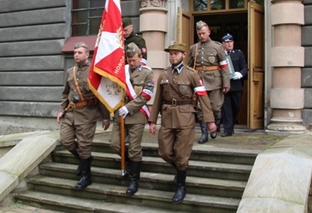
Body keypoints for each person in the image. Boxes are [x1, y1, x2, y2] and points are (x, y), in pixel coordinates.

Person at [149, 42, 216, 204]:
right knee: (164, 151)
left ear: (183, 55)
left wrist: (210, 121)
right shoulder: (164, 75)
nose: (173, 56)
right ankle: (181, 170)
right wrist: (152, 120)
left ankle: (181, 186)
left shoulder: (192, 74)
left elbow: (203, 98)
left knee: (181, 154)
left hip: (186, 118)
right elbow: (157, 99)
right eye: (171, 53)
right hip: (167, 118)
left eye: (176, 53)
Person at [56, 42, 110, 190]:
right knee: (65, 141)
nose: (76, 55)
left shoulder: (94, 71)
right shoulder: (70, 71)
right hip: (71, 113)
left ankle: (86, 177)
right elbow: (66, 93)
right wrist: (61, 109)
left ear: (87, 54)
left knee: (84, 145)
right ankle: (84, 161)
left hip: (88, 114)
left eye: (79, 52)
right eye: (75, 52)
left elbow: (101, 96)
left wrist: (106, 117)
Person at [110, 43, 155, 196]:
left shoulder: (148, 73)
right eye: (129, 60)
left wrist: (128, 108)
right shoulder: (121, 71)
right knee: (115, 144)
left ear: (140, 58)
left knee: (134, 149)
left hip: (137, 116)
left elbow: (146, 95)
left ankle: (134, 180)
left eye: (134, 60)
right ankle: (130, 164)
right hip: (120, 116)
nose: (132, 63)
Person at [188, 20, 230, 144]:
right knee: (201, 109)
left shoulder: (218, 47)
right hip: (200, 83)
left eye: (204, 33)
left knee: (216, 107)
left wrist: (226, 83)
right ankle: (204, 133)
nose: (202, 36)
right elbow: (190, 67)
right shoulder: (193, 48)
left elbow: (224, 66)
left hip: (215, 82)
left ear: (209, 32)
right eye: (199, 33)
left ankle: (214, 126)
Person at [220, 33, 248, 137]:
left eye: (231, 42)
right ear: (223, 44)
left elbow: (245, 67)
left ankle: (231, 126)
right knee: (226, 108)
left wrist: (240, 74)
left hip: (236, 85)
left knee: (236, 106)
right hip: (224, 85)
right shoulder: (220, 55)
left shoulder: (238, 53)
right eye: (227, 42)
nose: (229, 44)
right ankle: (228, 130)